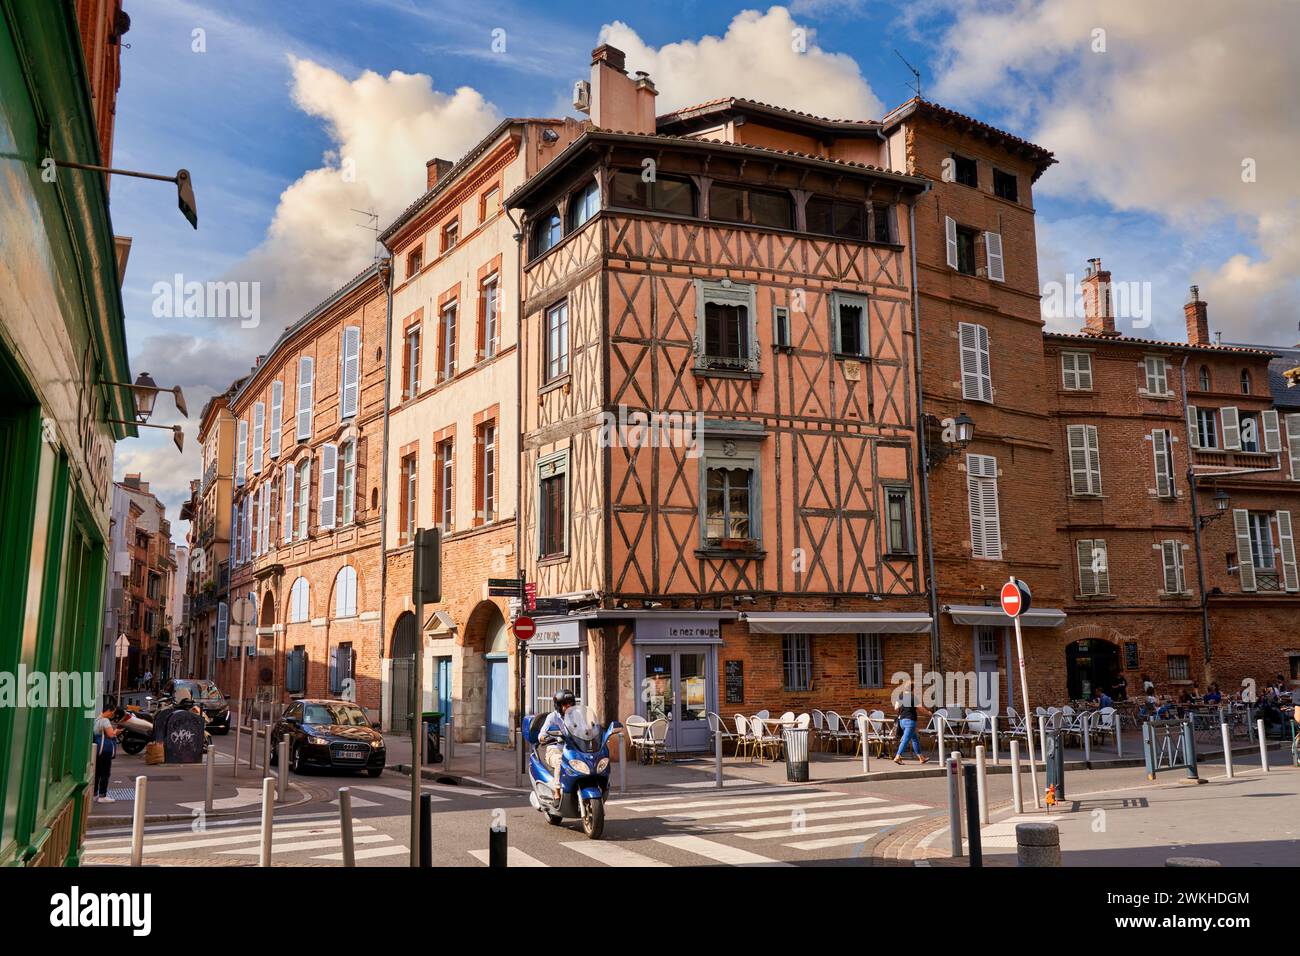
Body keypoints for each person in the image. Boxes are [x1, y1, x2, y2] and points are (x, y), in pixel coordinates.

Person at [538, 689, 576, 795]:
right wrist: (545, 738)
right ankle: (557, 792)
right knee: (560, 761)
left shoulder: (576, 716)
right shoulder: (552, 717)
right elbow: (541, 734)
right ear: (558, 705)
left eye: (570, 703)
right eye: (564, 704)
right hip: (556, 749)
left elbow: (586, 729)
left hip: (573, 749)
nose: (568, 706)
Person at [892, 680, 928, 765]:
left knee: (914, 738)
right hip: (910, 721)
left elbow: (896, 708)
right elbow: (920, 708)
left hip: (902, 721)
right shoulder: (913, 697)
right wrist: (929, 713)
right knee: (905, 739)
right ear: (912, 688)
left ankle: (921, 758)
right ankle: (897, 756)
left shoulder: (901, 696)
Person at [92, 699, 118, 804]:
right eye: (112, 712)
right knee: (105, 773)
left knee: (97, 773)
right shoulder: (105, 721)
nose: (112, 714)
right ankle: (102, 795)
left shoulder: (96, 719)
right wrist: (117, 731)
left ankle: (94, 794)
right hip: (104, 751)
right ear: (107, 710)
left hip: (97, 750)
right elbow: (111, 734)